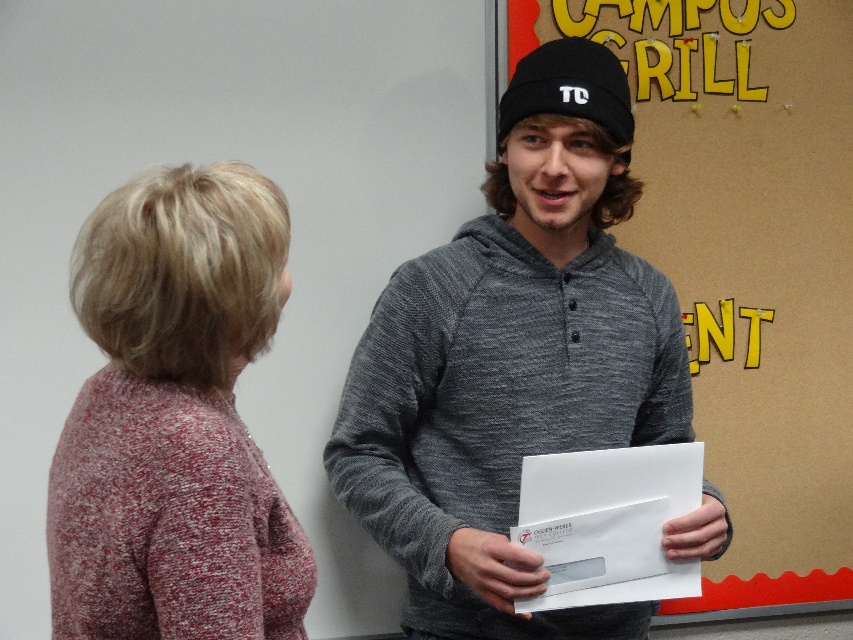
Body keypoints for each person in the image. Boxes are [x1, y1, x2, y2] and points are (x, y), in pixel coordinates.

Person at [324, 37, 732, 640]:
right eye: (534, 138)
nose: (554, 167)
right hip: (465, 631)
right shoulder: (432, 287)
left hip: (617, 628)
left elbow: (664, 449)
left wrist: (708, 508)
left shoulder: (650, 295)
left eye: (582, 143)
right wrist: (447, 545)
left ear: (617, 160)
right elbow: (357, 452)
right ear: (505, 150)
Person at [47, 162, 316, 639]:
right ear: (233, 304)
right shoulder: (193, 448)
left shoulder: (107, 391)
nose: (288, 281)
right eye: (277, 266)